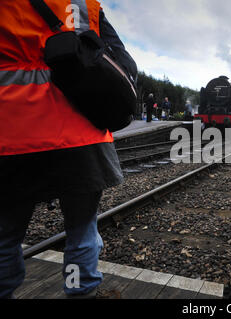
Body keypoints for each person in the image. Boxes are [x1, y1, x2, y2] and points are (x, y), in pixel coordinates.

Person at [0, 0, 137, 299]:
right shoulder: (85, 5)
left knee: (5, 236)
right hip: (81, 137)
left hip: (12, 135)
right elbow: (126, 65)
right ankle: (80, 293)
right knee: (82, 231)